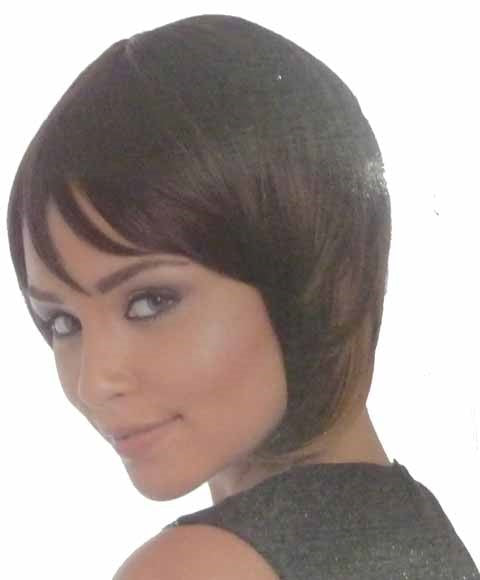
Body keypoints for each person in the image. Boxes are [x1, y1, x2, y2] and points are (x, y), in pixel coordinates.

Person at [7, 13, 479, 580]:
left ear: (309, 271)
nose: (94, 382)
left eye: (151, 301)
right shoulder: (423, 532)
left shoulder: (196, 569)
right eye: (62, 322)